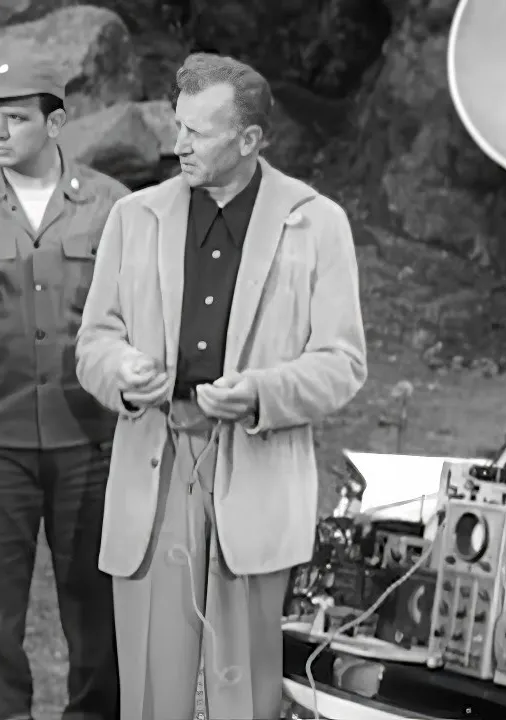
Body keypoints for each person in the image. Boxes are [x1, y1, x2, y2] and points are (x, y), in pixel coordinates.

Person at [76, 52, 368, 720]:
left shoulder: (317, 222)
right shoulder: (133, 217)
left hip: (256, 468)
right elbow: (93, 341)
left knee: (247, 689)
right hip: (156, 465)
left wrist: (262, 393)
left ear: (248, 140)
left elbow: (342, 362)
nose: (178, 143)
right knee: (152, 689)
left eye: (197, 132)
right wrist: (122, 373)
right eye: (177, 125)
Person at [0, 58, 128, 720]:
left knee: (99, 609)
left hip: (92, 441)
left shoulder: (114, 207)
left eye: (15, 117)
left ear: (55, 123)